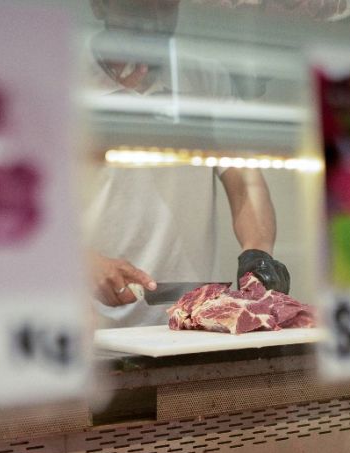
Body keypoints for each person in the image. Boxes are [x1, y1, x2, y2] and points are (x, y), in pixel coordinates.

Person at [83, 0, 290, 328]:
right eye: (134, 6)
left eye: (164, 5)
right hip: (90, 327)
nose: (151, 17)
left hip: (187, 325)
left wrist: (258, 254)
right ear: (99, 5)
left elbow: (245, 181)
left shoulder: (204, 77)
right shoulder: (60, 76)